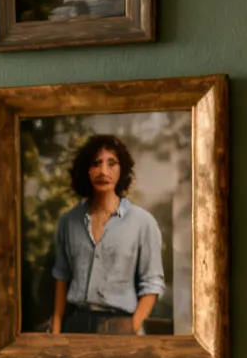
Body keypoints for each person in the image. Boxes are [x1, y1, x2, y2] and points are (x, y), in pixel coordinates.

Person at [50, 133, 166, 335]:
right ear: (86, 170)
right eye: (96, 163)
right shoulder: (68, 222)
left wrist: (131, 327)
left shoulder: (143, 223)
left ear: (122, 170)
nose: (103, 171)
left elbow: (152, 285)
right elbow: (62, 276)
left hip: (120, 324)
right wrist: (57, 327)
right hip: (76, 325)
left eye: (111, 163)